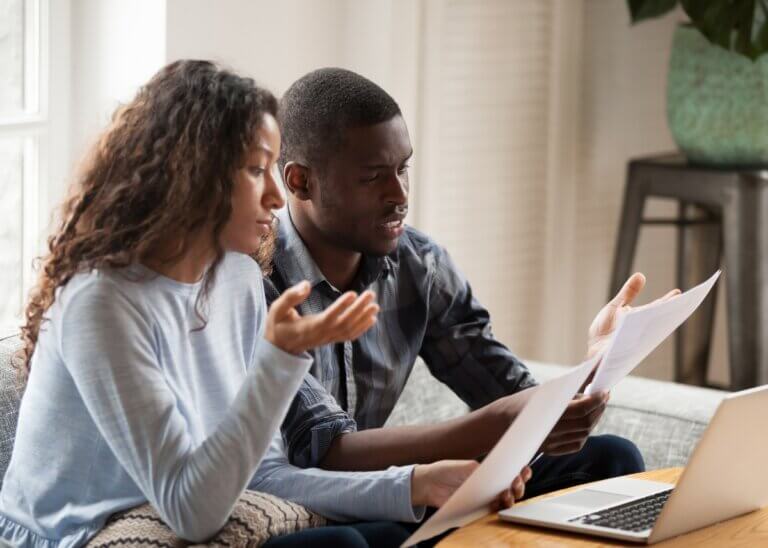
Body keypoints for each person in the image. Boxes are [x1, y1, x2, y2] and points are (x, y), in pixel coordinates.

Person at [252, 68, 679, 541]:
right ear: (300, 182)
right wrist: (496, 427)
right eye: (373, 177)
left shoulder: (418, 264)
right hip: (316, 510)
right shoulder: (258, 281)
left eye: (403, 168)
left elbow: (509, 394)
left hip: (403, 496)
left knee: (612, 457)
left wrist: (600, 362)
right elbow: (324, 452)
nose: (399, 195)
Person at [0, 60, 398, 548]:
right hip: (76, 537)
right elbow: (192, 512)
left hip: (184, 518)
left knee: (399, 528)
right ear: (192, 174)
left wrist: (414, 484)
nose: (276, 196)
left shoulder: (237, 278)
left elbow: (262, 476)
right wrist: (280, 358)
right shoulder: (99, 302)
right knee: (342, 546)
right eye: (256, 170)